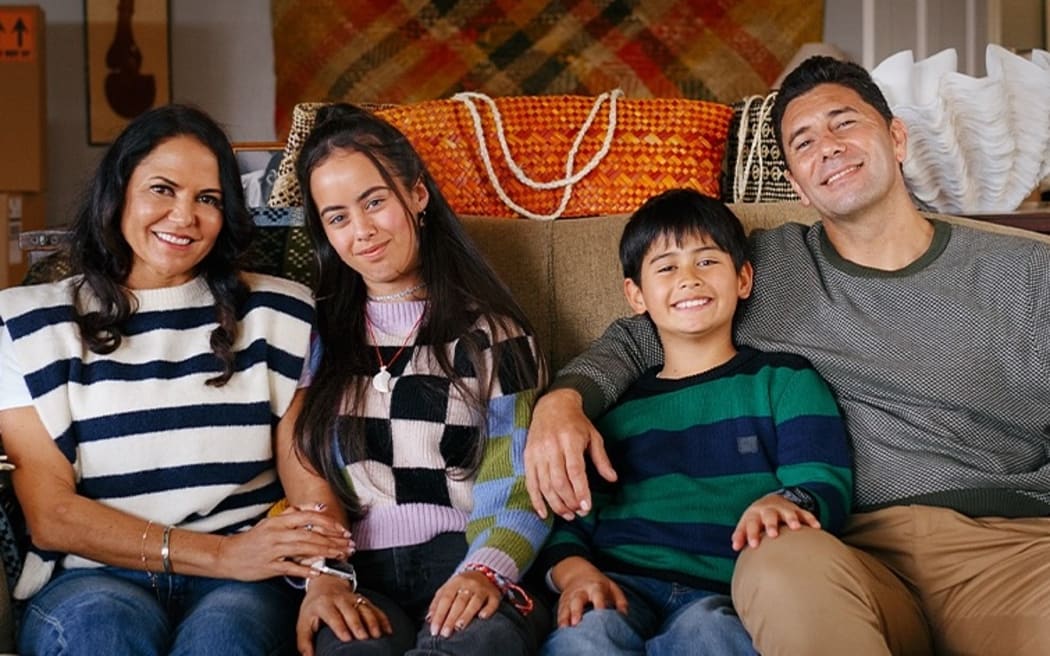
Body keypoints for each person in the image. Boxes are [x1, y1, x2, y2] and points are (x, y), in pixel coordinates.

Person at [524, 55, 1050, 655]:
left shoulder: (1026, 273)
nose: (827, 146)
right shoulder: (768, 267)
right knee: (773, 562)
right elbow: (646, 336)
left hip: (1008, 546)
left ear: (897, 137)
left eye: (844, 123)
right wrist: (564, 400)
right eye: (804, 141)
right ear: (797, 185)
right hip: (841, 551)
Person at [0, 104, 354, 655]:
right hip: (94, 576)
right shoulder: (26, 325)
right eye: (162, 189)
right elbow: (51, 515)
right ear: (117, 194)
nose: (184, 216)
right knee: (103, 635)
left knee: (225, 639)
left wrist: (326, 571)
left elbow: (308, 480)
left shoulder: (282, 315)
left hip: (243, 580)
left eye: (207, 199)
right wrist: (216, 555)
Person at [535, 189, 852, 656]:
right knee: (586, 637)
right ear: (636, 295)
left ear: (743, 278)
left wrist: (784, 502)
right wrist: (575, 574)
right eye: (666, 267)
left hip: (726, 591)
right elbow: (569, 520)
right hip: (620, 584)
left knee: (710, 633)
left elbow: (824, 480)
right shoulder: (616, 409)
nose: (688, 279)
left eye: (707, 262)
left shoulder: (783, 380)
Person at [292, 103, 552, 656]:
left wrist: (486, 570)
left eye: (375, 202)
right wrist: (322, 574)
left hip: (466, 558)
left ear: (417, 195)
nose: (361, 231)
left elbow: (522, 479)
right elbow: (300, 475)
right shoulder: (314, 339)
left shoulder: (495, 335)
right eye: (337, 217)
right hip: (357, 576)